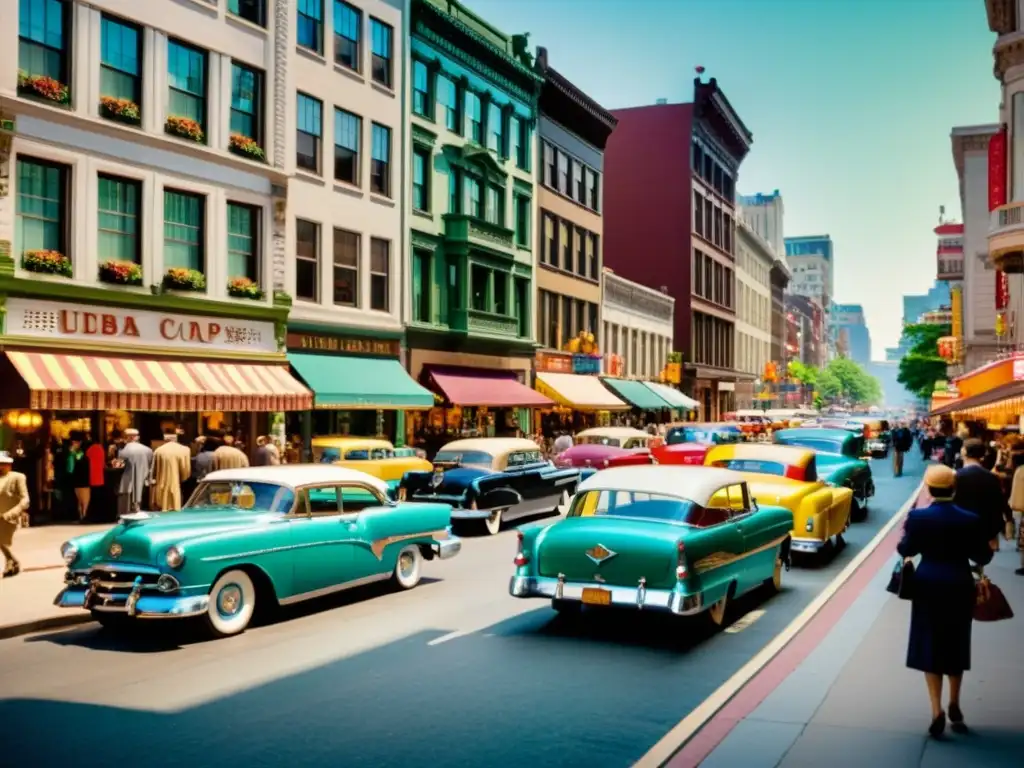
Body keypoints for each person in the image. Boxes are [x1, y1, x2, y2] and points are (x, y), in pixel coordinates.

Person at [897, 464, 993, 737]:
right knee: (956, 641)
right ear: (954, 487)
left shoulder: (918, 517)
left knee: (929, 643)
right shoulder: (970, 518)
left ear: (929, 487)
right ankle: (955, 702)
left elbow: (906, 549)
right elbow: (984, 556)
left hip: (927, 583)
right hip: (959, 582)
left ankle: (935, 709)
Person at [955, 439, 1012, 553]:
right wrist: (1008, 519)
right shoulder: (992, 477)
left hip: (960, 523)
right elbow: (1000, 501)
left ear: (964, 452)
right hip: (985, 524)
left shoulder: (956, 476)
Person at [0, 451, 30, 578]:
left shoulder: (18, 477)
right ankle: (12, 562)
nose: (1, 466)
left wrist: (12, 513)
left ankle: (11, 562)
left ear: (9, 464)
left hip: (9, 516)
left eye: (4, 464)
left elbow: (25, 499)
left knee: (2, 541)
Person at [150, 433, 192, 512]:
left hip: (161, 484)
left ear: (165, 440)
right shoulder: (185, 449)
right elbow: (186, 470)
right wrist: (183, 478)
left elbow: (153, 470)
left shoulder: (158, 450)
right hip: (177, 485)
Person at [116, 429, 153, 516]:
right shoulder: (148, 449)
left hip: (129, 478)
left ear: (128, 438)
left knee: (127, 497)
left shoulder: (125, 450)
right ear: (137, 437)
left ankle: (128, 513)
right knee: (140, 495)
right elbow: (151, 463)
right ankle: (139, 510)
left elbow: (118, 464)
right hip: (144, 477)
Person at [67, 433, 91, 523]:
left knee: (84, 499)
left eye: (75, 442)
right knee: (79, 499)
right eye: (72, 443)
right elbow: (70, 468)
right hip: (77, 478)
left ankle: (84, 516)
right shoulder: (73, 453)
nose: (73, 444)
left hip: (83, 478)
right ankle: (81, 516)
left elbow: (78, 461)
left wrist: (72, 453)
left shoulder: (82, 452)